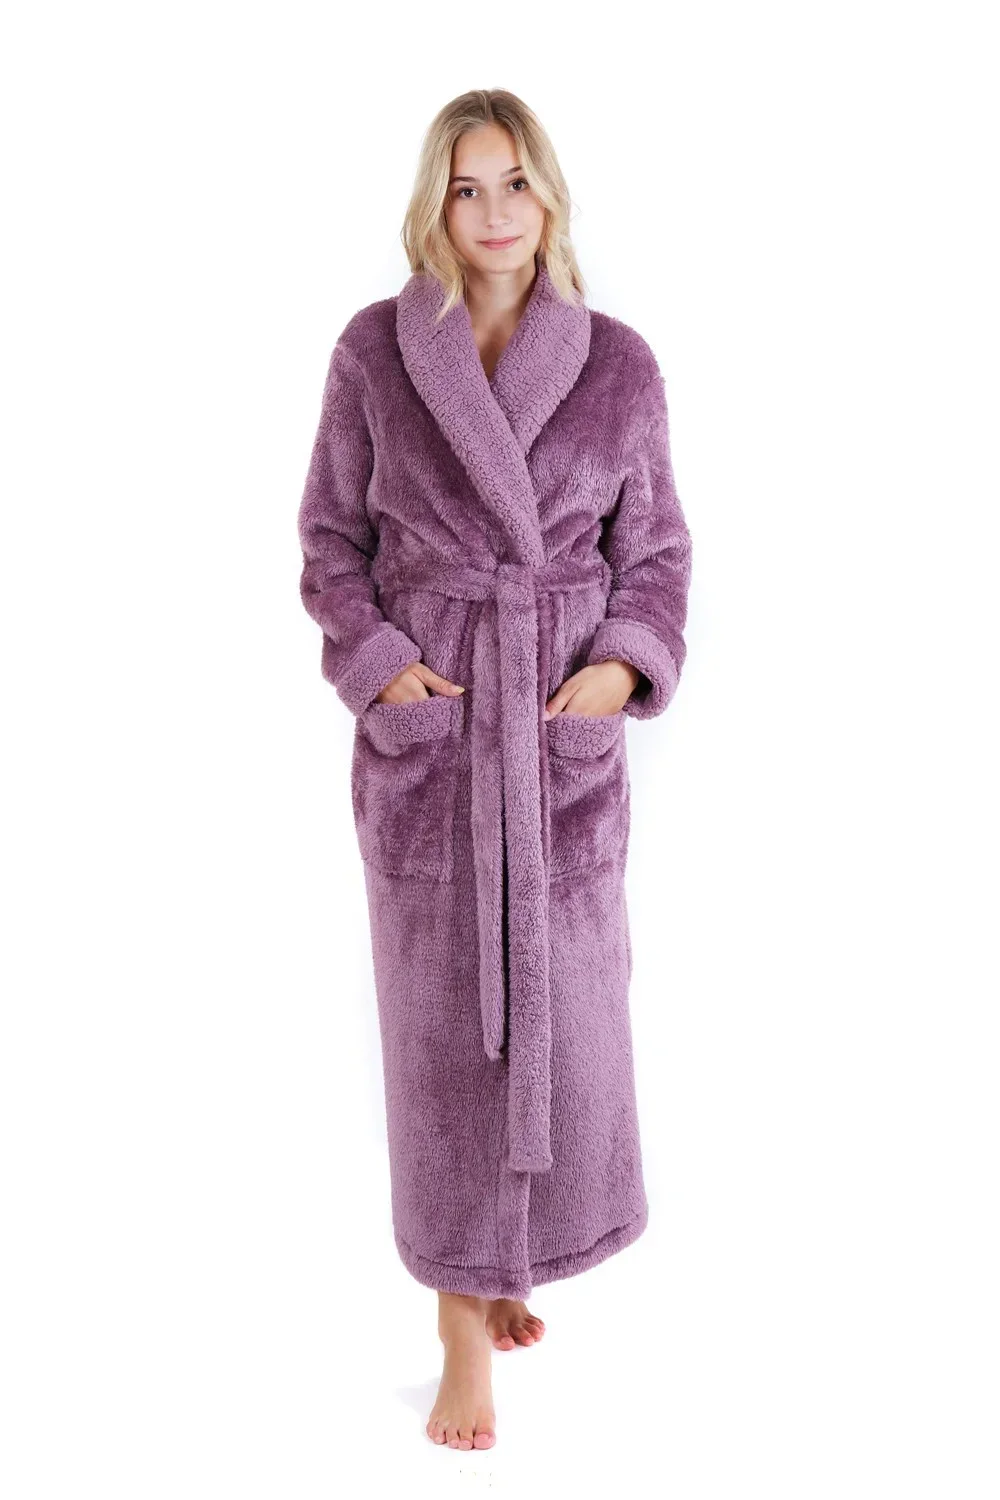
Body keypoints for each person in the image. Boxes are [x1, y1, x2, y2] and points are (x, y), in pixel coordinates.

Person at [296, 88, 693, 1451]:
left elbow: (657, 555)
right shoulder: (375, 353)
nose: (495, 211)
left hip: (554, 738)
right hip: (440, 736)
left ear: (549, 193)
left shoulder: (618, 364)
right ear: (437, 204)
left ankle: (509, 1252)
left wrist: (620, 670)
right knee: (443, 1033)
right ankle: (460, 1323)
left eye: (514, 181)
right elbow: (329, 544)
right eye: (468, 187)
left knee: (567, 1016)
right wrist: (380, 667)